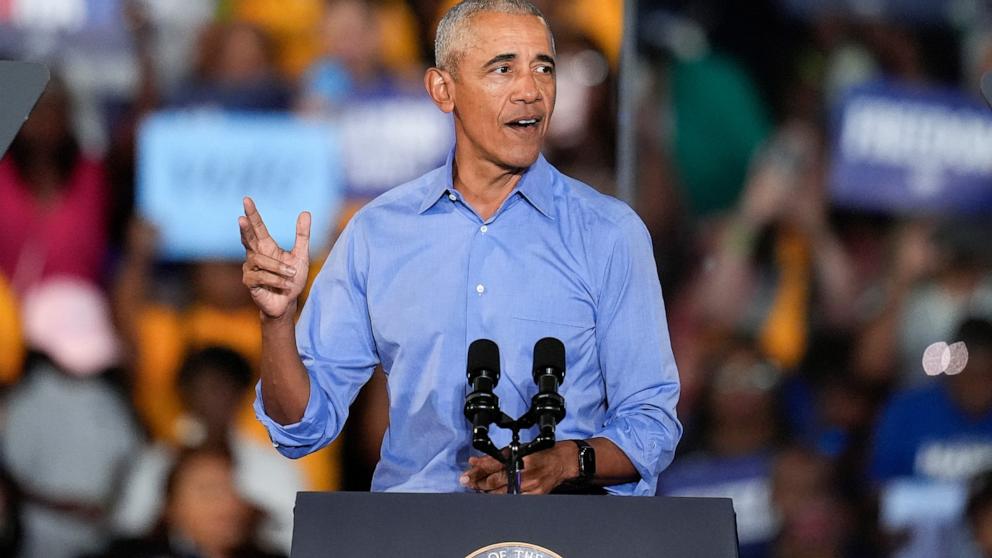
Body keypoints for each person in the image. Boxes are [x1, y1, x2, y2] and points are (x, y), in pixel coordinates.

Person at [240, 0, 682, 495]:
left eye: (544, 68)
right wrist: (277, 322)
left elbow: (651, 426)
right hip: (418, 534)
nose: (530, 91)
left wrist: (565, 461)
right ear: (442, 90)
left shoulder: (610, 234)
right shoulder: (377, 234)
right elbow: (302, 427)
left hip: (564, 533)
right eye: (503, 68)